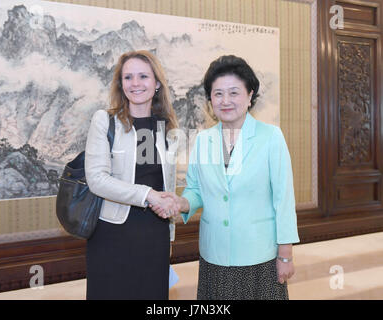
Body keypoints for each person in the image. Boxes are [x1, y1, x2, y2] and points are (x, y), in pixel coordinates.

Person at [154, 55, 300, 300]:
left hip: (259, 257)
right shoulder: (202, 140)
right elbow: (196, 189)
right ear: (210, 99)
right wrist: (181, 202)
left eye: (234, 93)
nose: (225, 101)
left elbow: (283, 200)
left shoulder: (270, 137)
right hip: (215, 256)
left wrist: (285, 255)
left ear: (250, 95)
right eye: (218, 93)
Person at [84, 50, 179, 300]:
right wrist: (147, 195)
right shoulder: (106, 121)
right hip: (112, 234)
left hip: (154, 236)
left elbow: (165, 184)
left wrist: (169, 235)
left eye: (143, 76)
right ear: (120, 84)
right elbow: (97, 180)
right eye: (128, 77)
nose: (135, 83)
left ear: (157, 83)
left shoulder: (165, 126)